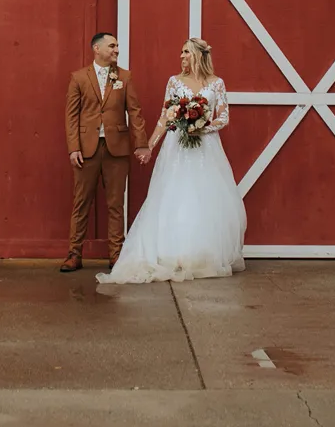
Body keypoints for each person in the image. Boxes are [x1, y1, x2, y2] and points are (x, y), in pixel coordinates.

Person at [97, 37, 247, 284]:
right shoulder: (174, 82)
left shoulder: (217, 84)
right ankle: (171, 252)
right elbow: (164, 118)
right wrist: (149, 146)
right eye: (181, 52)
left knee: (205, 198)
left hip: (206, 149)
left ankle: (202, 254)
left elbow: (224, 118)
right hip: (177, 148)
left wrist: (201, 126)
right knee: (174, 195)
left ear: (199, 55)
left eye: (186, 52)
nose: (181, 56)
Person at [60, 32, 150, 272]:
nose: (116, 50)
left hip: (117, 149)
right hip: (86, 150)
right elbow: (71, 116)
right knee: (81, 202)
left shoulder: (125, 77)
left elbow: (135, 111)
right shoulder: (78, 78)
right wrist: (73, 148)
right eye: (112, 46)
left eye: (117, 46)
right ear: (96, 49)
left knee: (115, 204)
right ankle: (74, 253)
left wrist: (141, 143)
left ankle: (116, 255)